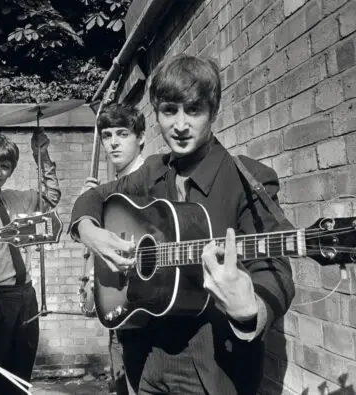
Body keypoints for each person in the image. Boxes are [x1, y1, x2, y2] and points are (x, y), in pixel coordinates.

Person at [69, 55, 295, 395]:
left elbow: (275, 265)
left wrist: (251, 309)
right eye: (169, 110)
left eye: (193, 110)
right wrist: (89, 232)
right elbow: (96, 197)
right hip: (146, 361)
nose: (180, 124)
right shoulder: (151, 174)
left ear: (214, 112)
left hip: (216, 367)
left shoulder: (247, 178)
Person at [0, 131, 61, 395]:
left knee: (20, 381)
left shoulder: (16, 198)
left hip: (26, 299)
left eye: (5, 166)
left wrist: (41, 154)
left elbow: (51, 196)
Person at [81, 102, 146, 395]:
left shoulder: (151, 183)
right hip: (120, 310)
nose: (113, 143)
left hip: (145, 313)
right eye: (107, 136)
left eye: (123, 133)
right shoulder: (110, 190)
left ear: (140, 137)